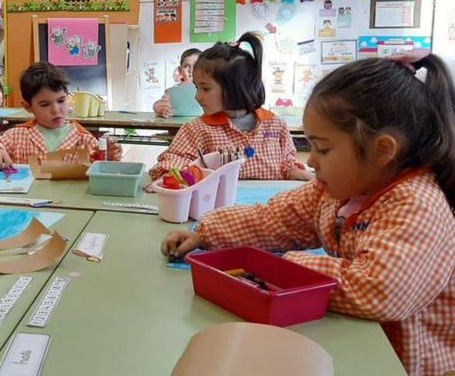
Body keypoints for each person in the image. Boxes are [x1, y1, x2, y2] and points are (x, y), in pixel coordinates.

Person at [163, 51, 455, 376]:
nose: (311, 161)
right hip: (354, 343)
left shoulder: (417, 205)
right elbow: (275, 219)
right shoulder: (336, 190)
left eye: (323, 149)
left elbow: (378, 290)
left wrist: (286, 268)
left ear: (382, 151)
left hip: (405, 363)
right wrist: (206, 232)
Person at [149, 32, 311, 181]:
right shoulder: (196, 129)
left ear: (236, 87)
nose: (197, 96)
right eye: (197, 87)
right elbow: (174, 161)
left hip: (270, 207)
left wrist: (296, 172)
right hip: (219, 208)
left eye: (205, 88)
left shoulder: (276, 125)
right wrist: (170, 177)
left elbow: (286, 162)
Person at [0, 61, 121, 168]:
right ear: (28, 106)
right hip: (26, 205)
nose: (56, 110)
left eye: (61, 101)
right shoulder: (17, 136)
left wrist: (109, 157)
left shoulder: (84, 140)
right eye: (45, 104)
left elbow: (102, 172)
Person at [154, 48, 201, 117]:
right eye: (186, 66)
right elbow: (158, 107)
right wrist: (162, 110)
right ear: (180, 70)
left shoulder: (209, 89)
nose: (191, 70)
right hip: (177, 126)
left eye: (196, 65)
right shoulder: (172, 92)